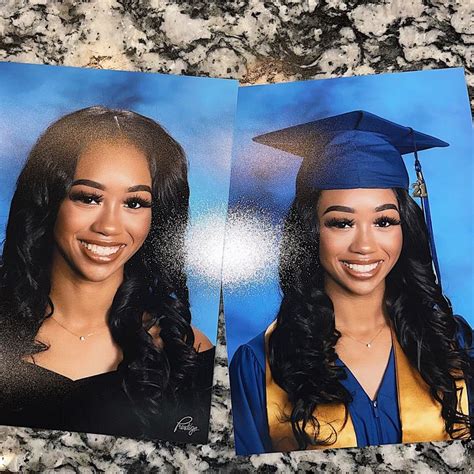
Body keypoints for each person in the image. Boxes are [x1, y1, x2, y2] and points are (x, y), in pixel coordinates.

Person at [229, 111, 472, 455]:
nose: (365, 245)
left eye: (384, 221)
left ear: (406, 228)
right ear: (310, 232)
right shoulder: (259, 364)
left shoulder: (453, 343)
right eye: (341, 223)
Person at [0, 106, 214, 443]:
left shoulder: (187, 352)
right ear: (48, 201)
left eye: (135, 203)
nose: (109, 226)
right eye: (88, 197)